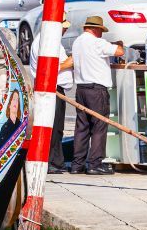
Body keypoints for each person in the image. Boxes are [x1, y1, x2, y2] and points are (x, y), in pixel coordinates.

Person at [71, 15, 126, 175]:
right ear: (96, 29)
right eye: (101, 30)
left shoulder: (77, 42)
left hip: (81, 88)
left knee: (82, 127)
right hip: (96, 90)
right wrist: (119, 44)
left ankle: (77, 164)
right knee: (99, 126)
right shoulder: (97, 42)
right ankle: (95, 164)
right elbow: (119, 51)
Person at [30, 14, 75, 173]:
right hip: (51, 89)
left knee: (58, 128)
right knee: (52, 127)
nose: (65, 29)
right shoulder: (44, 42)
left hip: (57, 89)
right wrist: (70, 62)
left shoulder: (53, 42)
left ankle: (57, 161)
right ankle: (49, 161)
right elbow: (50, 67)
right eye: (63, 27)